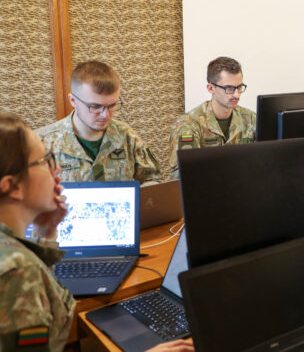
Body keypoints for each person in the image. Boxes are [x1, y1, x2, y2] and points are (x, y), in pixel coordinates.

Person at [0, 112, 192, 352]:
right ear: (11, 186)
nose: (56, 169)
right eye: (44, 161)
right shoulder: (16, 273)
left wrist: (46, 232)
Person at [37, 61, 160, 183]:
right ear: (73, 100)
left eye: (112, 105)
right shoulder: (42, 143)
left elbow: (152, 183)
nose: (105, 114)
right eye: (95, 106)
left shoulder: (127, 137)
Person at [167, 57, 256, 178]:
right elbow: (182, 174)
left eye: (239, 87)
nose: (236, 94)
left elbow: (264, 161)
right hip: (206, 191)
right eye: (229, 88)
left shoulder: (250, 119)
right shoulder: (189, 124)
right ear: (210, 88)